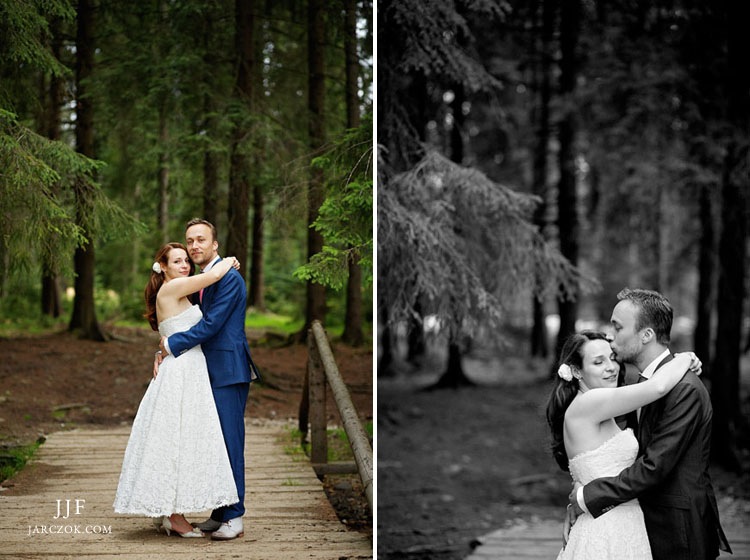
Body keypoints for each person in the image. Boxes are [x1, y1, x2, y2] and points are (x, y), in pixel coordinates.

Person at [567, 288, 732, 559]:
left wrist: (587, 497)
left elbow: (655, 467)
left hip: (678, 530)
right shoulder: (644, 384)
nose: (610, 335)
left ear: (646, 335)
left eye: (618, 327)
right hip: (643, 525)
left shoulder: (684, 389)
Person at [114, 242, 241, 538]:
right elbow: (212, 276)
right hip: (182, 373)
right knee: (175, 443)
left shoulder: (177, 290)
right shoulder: (172, 289)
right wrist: (229, 259)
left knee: (182, 442)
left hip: (188, 369)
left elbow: (177, 331)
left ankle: (169, 513)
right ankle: (174, 516)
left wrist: (161, 350)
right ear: (164, 267)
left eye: (186, 260)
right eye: (177, 261)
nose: (184, 265)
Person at [547, 330, 697, 559]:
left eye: (612, 358)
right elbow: (657, 387)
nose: (611, 367)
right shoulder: (590, 402)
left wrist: (579, 501)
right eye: (598, 362)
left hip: (613, 520)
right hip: (607, 530)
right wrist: (685, 358)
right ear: (576, 371)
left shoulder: (593, 406)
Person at [157, 218, 260, 542]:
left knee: (230, 442)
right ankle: (219, 512)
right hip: (205, 371)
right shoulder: (201, 279)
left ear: (215, 244)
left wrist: (171, 346)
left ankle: (235, 516)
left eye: (201, 240)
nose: (195, 246)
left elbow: (212, 324)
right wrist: (164, 347)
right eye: (190, 241)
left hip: (228, 370)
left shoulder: (227, 276)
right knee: (213, 444)